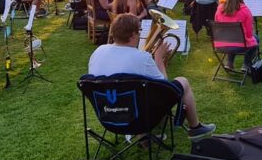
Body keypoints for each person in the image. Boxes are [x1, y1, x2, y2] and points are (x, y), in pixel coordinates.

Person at [88, 13, 216, 140]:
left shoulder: (98, 51)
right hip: (137, 119)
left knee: (135, 90)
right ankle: (196, 128)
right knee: (183, 82)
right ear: (133, 35)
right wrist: (159, 59)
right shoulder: (142, 58)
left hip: (108, 118)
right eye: (139, 31)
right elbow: (165, 88)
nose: (140, 35)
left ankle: (143, 135)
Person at [213, 0, 259, 69]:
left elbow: (217, 25)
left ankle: (229, 63)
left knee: (231, 37)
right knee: (256, 39)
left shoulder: (219, 9)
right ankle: (246, 64)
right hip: (239, 45)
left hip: (221, 44)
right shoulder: (245, 10)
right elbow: (249, 34)